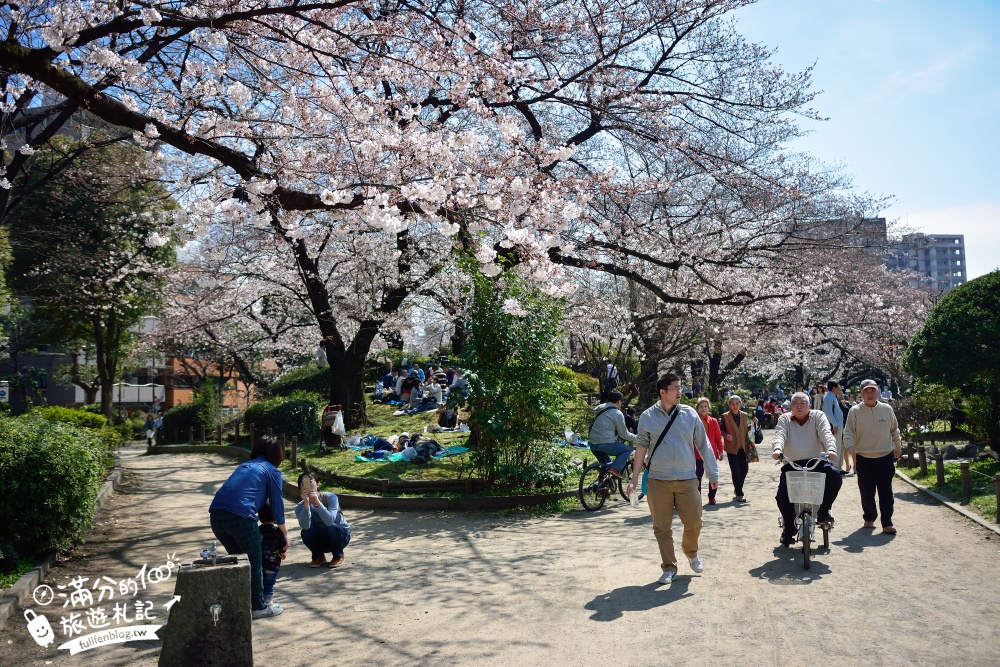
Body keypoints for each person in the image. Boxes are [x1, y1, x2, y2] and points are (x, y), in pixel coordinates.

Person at [626, 373, 718, 586]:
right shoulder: (648, 417)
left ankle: (691, 552)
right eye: (675, 388)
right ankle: (669, 567)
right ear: (663, 392)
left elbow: (704, 445)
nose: (680, 392)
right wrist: (634, 479)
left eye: (680, 387)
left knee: (694, 522)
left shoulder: (689, 414)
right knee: (662, 527)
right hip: (658, 480)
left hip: (687, 478)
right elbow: (641, 448)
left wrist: (713, 473)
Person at [209, 436, 288, 618]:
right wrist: (285, 535)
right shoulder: (272, 471)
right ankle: (258, 607)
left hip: (216, 516)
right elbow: (277, 507)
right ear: (277, 454)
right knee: (255, 561)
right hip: (241, 518)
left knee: (239, 561)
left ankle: (240, 602)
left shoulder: (244, 466)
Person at [770, 392, 843, 546]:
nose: (799, 406)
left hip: (816, 462)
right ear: (791, 407)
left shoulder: (818, 416)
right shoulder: (785, 419)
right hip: (792, 464)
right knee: (782, 496)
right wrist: (777, 449)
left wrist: (831, 449)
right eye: (795, 403)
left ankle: (823, 511)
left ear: (809, 405)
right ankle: (789, 528)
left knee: (835, 476)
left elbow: (826, 434)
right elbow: (780, 435)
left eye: (803, 403)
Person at [843, 379, 902, 535]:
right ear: (861, 393)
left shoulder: (887, 409)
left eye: (873, 391)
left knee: (886, 492)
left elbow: (894, 430)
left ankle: (887, 523)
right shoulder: (855, 411)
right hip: (864, 457)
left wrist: (897, 446)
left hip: (885, 456)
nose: (870, 394)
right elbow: (848, 432)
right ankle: (869, 517)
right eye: (866, 391)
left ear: (877, 392)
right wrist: (849, 446)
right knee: (866, 491)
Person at [295, 472, 351, 568]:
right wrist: (306, 505)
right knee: (305, 532)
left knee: (331, 527)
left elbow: (330, 521)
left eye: (310, 481)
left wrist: (317, 502)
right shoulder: (300, 507)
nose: (306, 485)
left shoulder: (330, 498)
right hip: (320, 538)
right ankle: (318, 556)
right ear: (300, 489)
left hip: (339, 536)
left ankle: (338, 555)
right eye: (303, 483)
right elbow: (305, 527)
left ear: (317, 484)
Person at [588, 390, 636, 479]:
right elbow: (624, 434)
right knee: (627, 450)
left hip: (592, 444)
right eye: (621, 402)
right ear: (619, 401)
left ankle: (602, 488)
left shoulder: (600, 409)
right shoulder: (617, 413)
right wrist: (635, 437)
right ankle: (615, 469)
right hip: (605, 444)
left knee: (605, 466)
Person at [720, 395, 753, 503]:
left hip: (743, 447)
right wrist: (725, 435)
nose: (735, 406)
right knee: (736, 471)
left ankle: (738, 488)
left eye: (737, 403)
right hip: (732, 448)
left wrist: (754, 425)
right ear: (729, 405)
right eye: (732, 403)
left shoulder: (745, 415)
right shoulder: (725, 416)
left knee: (744, 470)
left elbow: (746, 428)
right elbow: (721, 430)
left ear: (740, 404)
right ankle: (739, 493)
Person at [694, 397, 725, 505]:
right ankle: (697, 496)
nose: (703, 408)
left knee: (713, 474)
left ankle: (712, 496)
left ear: (708, 408)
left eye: (705, 406)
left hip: (711, 454)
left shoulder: (713, 421)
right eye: (701, 406)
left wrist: (720, 451)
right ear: (697, 408)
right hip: (696, 454)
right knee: (697, 477)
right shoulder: (694, 421)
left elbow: (718, 437)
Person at [258, 501, 285, 605]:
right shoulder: (278, 531)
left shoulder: (258, 530)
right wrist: (282, 552)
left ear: (260, 517)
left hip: (261, 562)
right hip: (273, 563)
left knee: (260, 582)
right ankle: (268, 602)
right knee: (269, 583)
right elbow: (282, 543)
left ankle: (259, 601)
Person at [823, 381, 847, 474]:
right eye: (838, 387)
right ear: (833, 388)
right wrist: (834, 424)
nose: (839, 388)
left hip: (839, 424)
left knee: (840, 445)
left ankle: (839, 466)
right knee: (835, 445)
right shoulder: (828, 397)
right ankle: (834, 466)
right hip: (835, 425)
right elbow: (828, 412)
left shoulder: (833, 396)